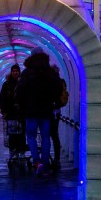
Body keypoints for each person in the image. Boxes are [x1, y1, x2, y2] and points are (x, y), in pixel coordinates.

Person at [16, 47, 62, 176]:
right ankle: (45, 164)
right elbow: (58, 88)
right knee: (46, 137)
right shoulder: (50, 72)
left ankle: (37, 162)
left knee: (31, 136)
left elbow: (19, 92)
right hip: (46, 111)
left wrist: (23, 106)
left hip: (30, 111)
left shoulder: (26, 72)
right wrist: (51, 100)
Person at [0, 64, 27, 153]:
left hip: (21, 113)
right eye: (13, 71)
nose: (15, 72)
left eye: (17, 71)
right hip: (11, 113)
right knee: (12, 134)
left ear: (19, 72)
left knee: (21, 133)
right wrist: (4, 111)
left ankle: (21, 151)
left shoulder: (23, 84)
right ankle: (13, 151)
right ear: (11, 72)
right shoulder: (6, 84)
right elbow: (2, 98)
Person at [50, 64, 65, 171]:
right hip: (56, 111)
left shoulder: (50, 81)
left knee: (48, 134)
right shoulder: (61, 81)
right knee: (55, 135)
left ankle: (47, 158)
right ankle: (57, 159)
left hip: (48, 111)